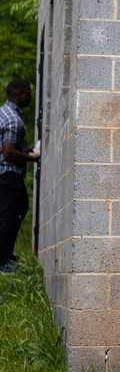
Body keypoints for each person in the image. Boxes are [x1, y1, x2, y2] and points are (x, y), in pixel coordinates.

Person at [0, 79, 40, 274]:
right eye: (27, 93)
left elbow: (8, 145)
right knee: (9, 216)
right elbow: (8, 152)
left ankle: (5, 253)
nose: (30, 97)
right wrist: (32, 157)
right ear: (17, 94)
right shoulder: (13, 120)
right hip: (9, 174)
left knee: (20, 206)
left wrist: (27, 148)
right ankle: (2, 261)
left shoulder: (4, 113)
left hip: (5, 174)